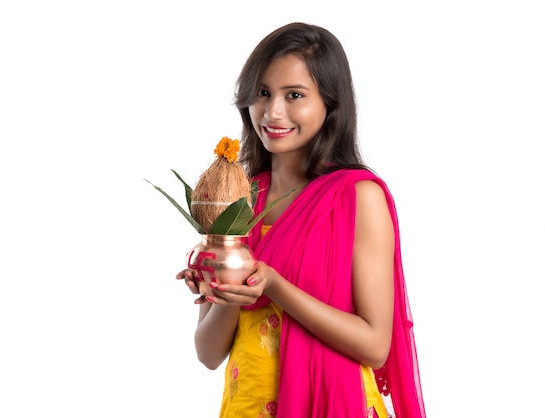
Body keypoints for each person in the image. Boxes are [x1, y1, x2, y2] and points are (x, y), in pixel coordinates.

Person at [176, 22, 426, 418]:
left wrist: (273, 285)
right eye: (262, 93)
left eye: (294, 95)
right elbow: (208, 354)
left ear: (331, 103)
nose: (273, 112)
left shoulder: (358, 197)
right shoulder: (236, 196)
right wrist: (228, 288)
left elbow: (376, 347)